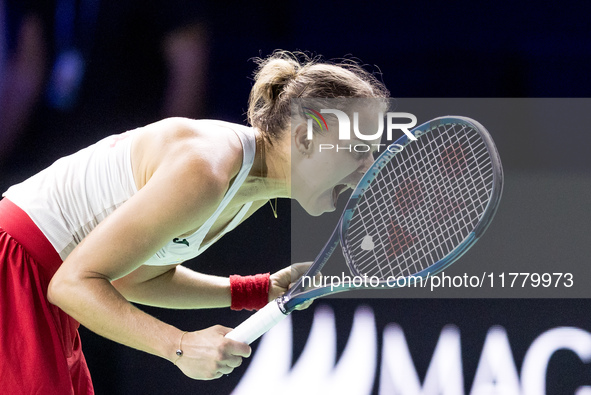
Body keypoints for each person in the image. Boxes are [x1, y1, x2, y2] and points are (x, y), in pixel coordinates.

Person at [0, 51, 389, 394]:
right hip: (15, 271)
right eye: (358, 151)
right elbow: (71, 284)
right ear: (305, 138)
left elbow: (129, 277)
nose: (367, 171)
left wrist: (258, 290)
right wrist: (179, 345)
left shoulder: (252, 187)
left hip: (35, 284)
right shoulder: (207, 170)